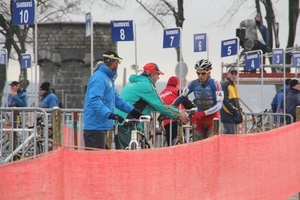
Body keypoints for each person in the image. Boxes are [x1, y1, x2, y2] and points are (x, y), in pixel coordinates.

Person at [114, 63, 189, 149]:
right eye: (158, 75)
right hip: (127, 123)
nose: (158, 78)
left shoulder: (133, 83)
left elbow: (152, 105)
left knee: (123, 153)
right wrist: (178, 114)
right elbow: (160, 106)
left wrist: (169, 110)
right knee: (128, 155)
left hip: (120, 121)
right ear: (153, 74)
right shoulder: (146, 86)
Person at [83, 50, 142, 149]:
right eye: (118, 62)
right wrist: (110, 114)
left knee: (102, 160)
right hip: (95, 127)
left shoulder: (107, 78)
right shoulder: (99, 78)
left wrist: (133, 111)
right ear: (114, 62)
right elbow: (94, 100)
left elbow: (117, 99)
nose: (118, 65)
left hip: (101, 126)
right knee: (96, 162)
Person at [173, 59, 224, 140]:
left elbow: (219, 105)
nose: (200, 76)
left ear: (209, 73)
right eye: (198, 73)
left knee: (211, 145)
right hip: (199, 120)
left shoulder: (215, 84)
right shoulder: (193, 84)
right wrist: (171, 107)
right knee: (198, 146)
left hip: (213, 119)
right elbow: (182, 97)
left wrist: (203, 113)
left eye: (203, 73)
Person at [159, 76, 195, 146]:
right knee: (179, 143)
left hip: (165, 121)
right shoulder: (177, 91)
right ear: (177, 84)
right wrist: (195, 109)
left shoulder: (161, 93)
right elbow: (188, 104)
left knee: (171, 143)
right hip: (177, 119)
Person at [220, 67, 243, 134]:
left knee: (233, 138)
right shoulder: (224, 85)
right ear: (228, 74)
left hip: (233, 118)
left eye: (235, 73)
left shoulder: (234, 86)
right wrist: (235, 111)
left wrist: (238, 111)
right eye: (232, 73)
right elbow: (224, 102)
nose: (234, 75)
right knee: (229, 138)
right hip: (228, 118)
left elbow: (236, 102)